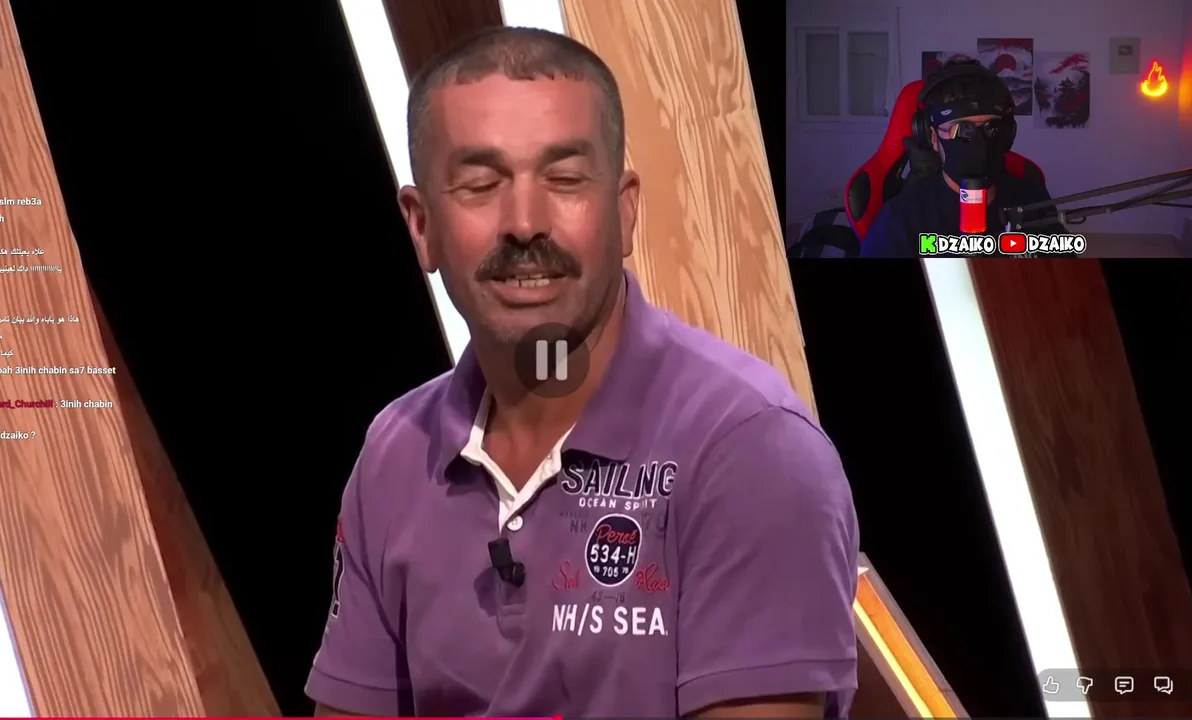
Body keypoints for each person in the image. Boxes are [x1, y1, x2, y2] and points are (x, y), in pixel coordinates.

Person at [307, 27, 859, 718]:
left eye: (565, 179)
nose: (525, 223)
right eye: (481, 185)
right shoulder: (394, 454)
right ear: (422, 227)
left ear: (625, 210)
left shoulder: (750, 450)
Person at [861, 59, 1066, 257]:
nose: (978, 141)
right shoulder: (900, 220)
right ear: (933, 137)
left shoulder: (1032, 200)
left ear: (1008, 133)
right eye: (961, 129)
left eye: (991, 128)